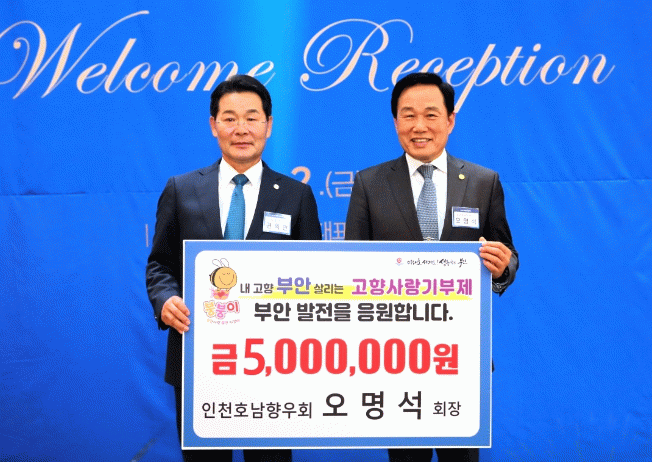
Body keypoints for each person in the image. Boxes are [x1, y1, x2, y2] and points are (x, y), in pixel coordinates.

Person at [146, 74, 322, 462]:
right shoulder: (181, 189)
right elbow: (160, 264)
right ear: (214, 125)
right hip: (200, 358)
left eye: (251, 118)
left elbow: (315, 277)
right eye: (229, 118)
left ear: (268, 125)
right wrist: (165, 299)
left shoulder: (296, 195)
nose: (241, 129)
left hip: (274, 365)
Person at [345, 72, 519, 462]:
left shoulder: (483, 181)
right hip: (393, 358)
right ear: (395, 122)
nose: (419, 126)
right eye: (408, 115)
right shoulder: (369, 183)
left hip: (461, 354)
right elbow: (351, 266)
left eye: (430, 114)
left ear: (450, 120)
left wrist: (502, 267)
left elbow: (507, 253)